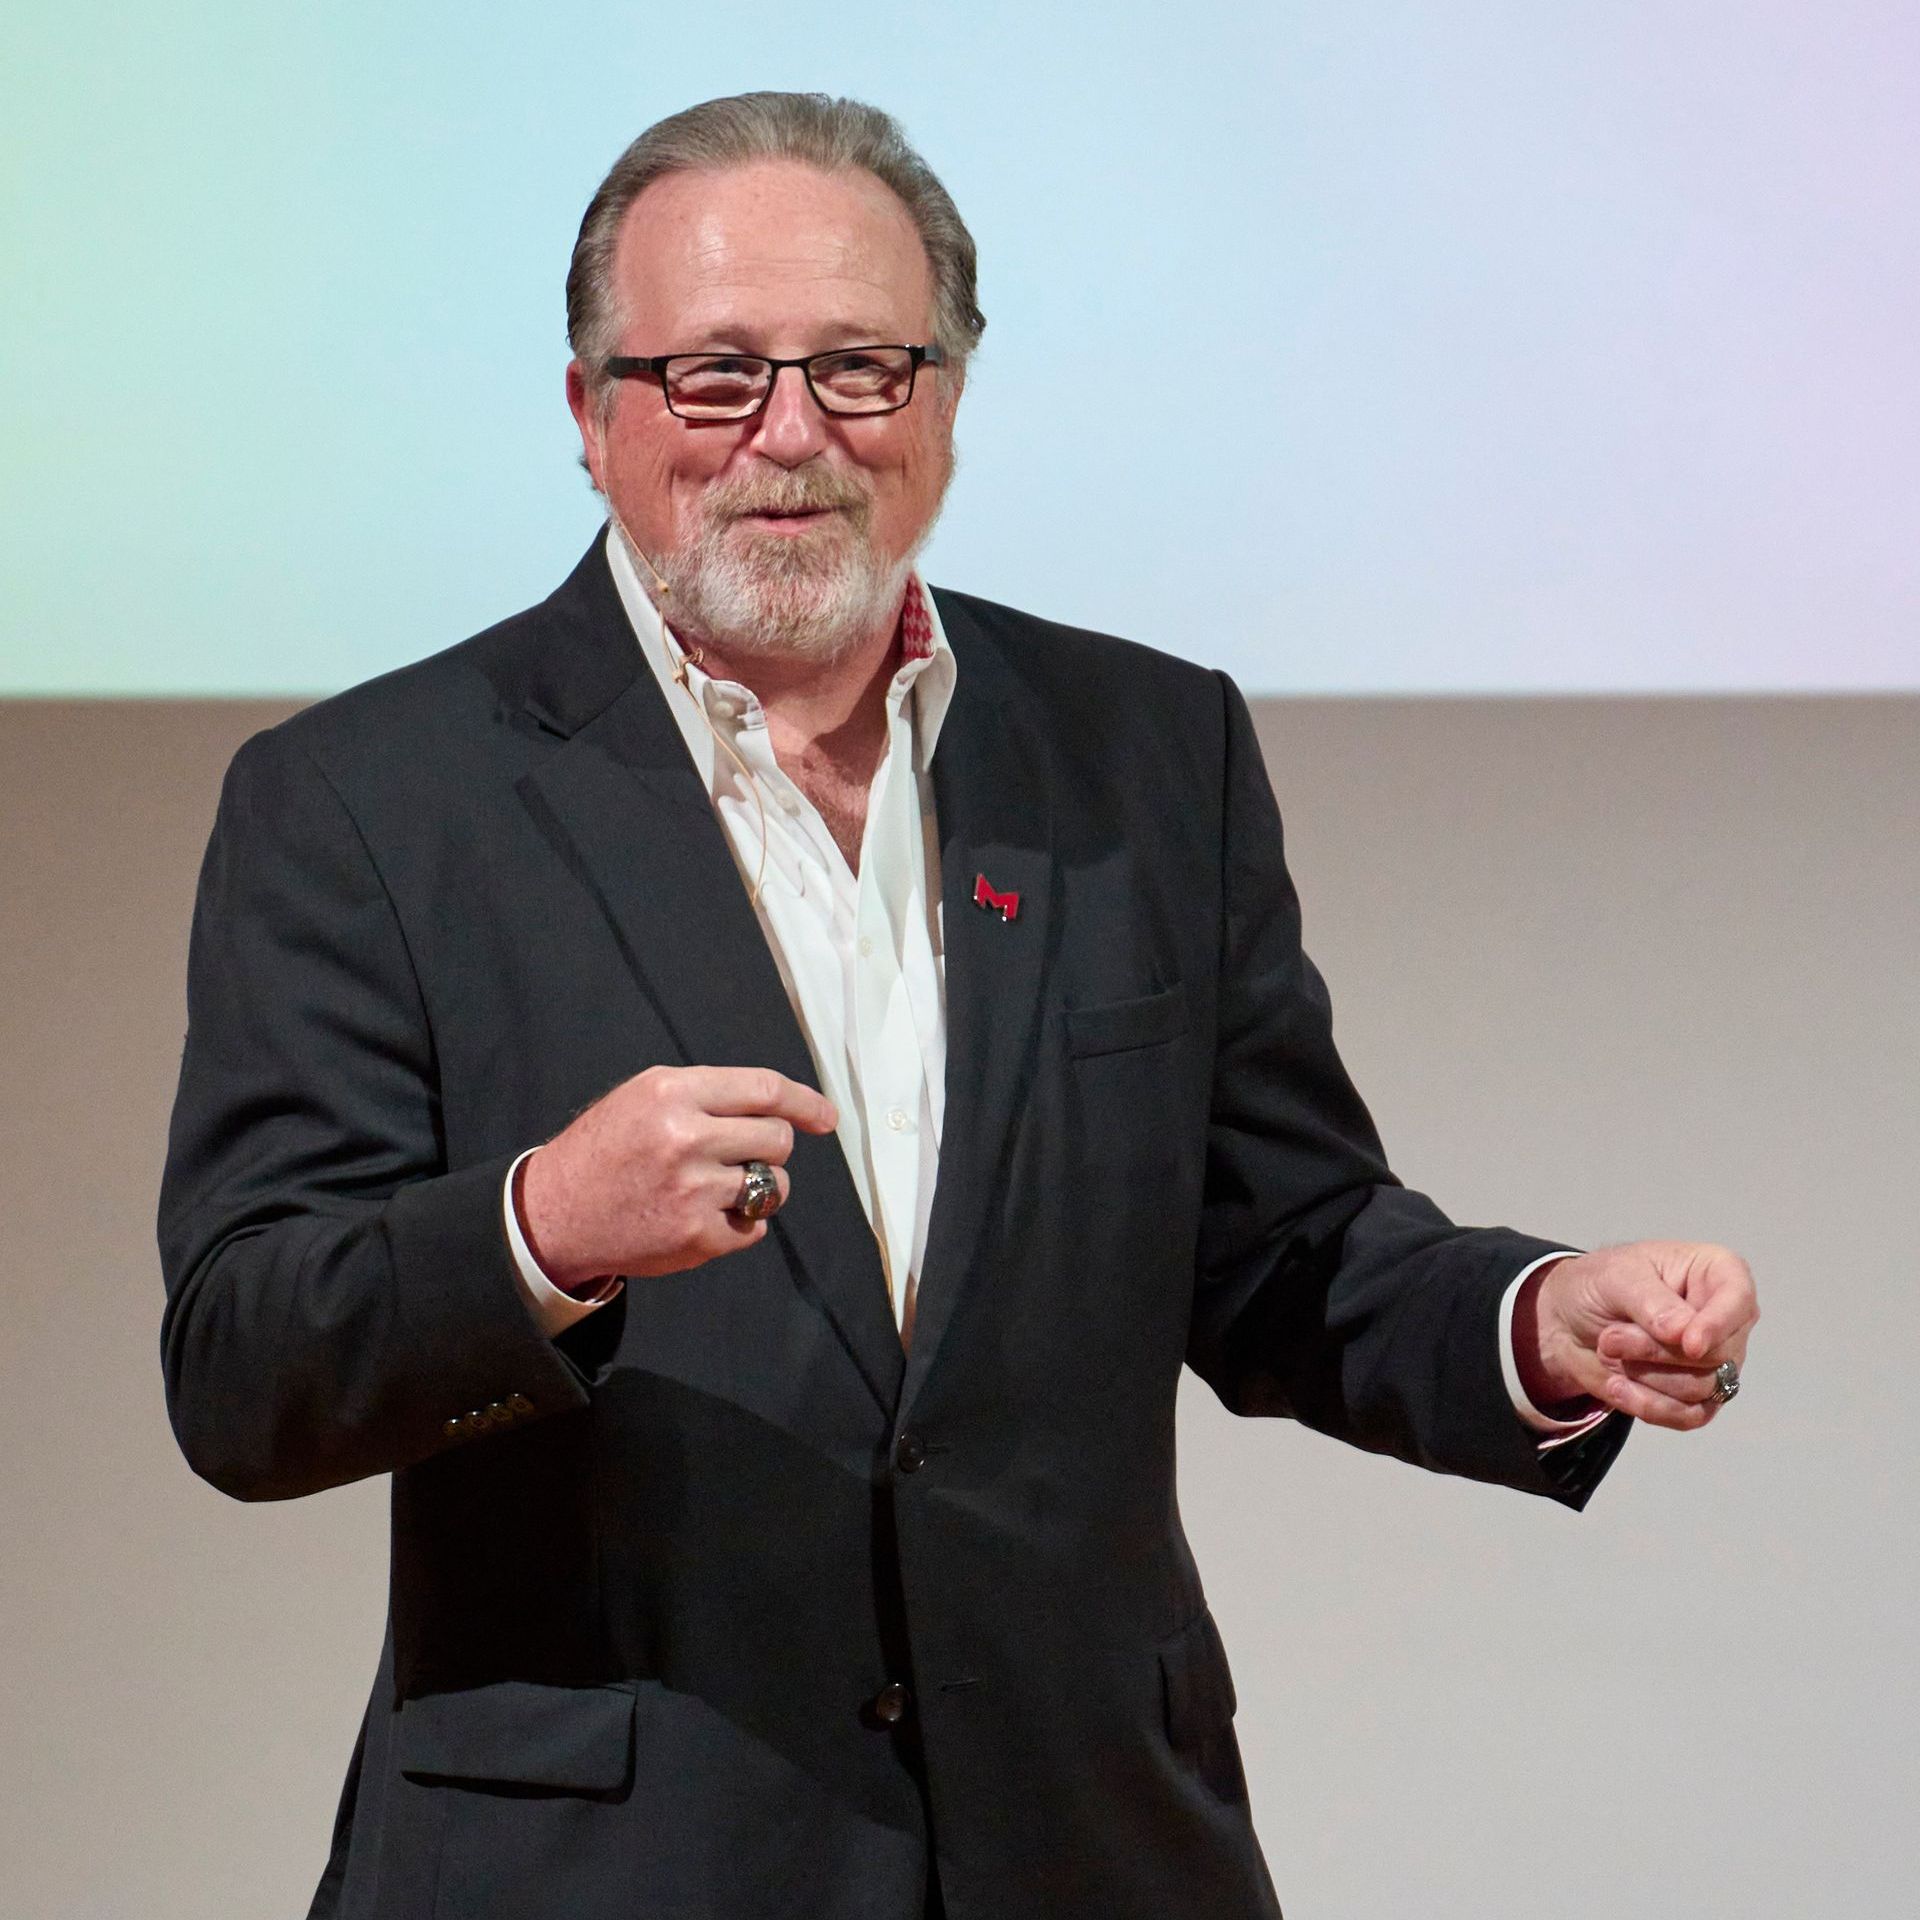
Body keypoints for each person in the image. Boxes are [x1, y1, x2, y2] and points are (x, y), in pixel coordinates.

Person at [158, 92, 1759, 1920]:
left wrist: (1543, 1322)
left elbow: (1284, 1247)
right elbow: (242, 1362)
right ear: (593, 413)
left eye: (861, 367)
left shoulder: (1150, 751)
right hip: (601, 1867)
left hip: (1087, 1850)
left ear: (947, 401)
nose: (791, 436)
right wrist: (540, 1230)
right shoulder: (371, 796)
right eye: (712, 376)